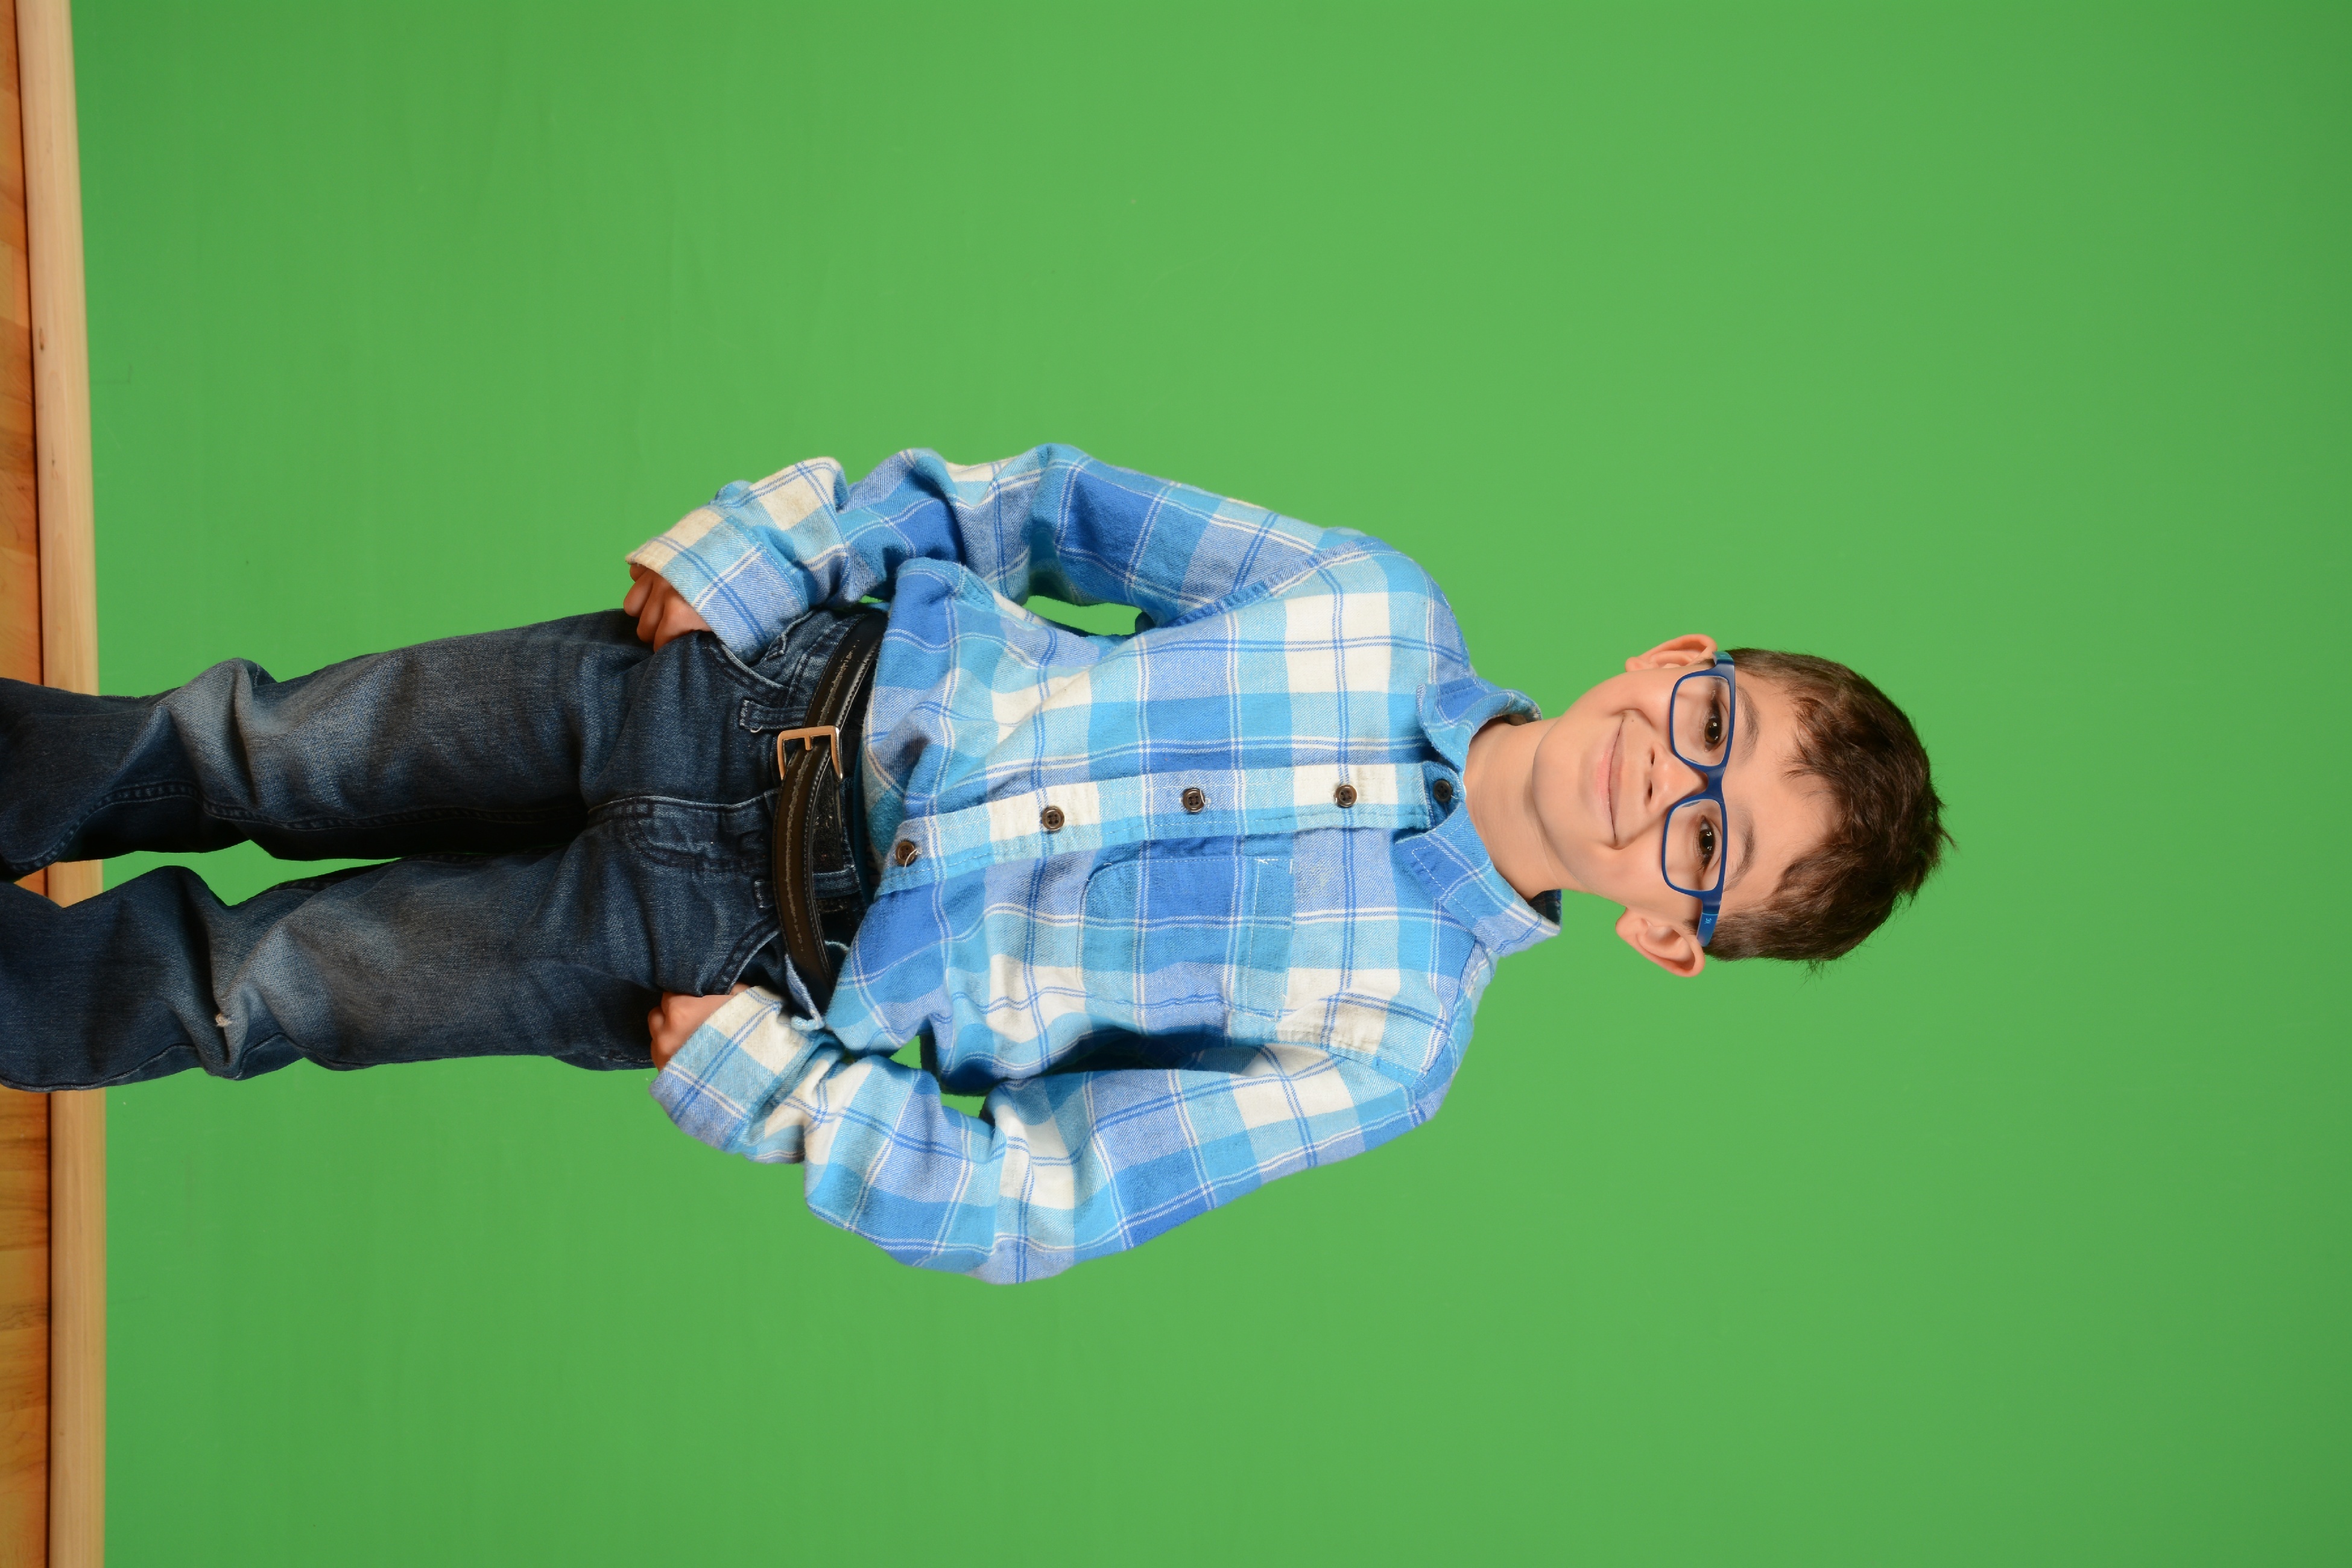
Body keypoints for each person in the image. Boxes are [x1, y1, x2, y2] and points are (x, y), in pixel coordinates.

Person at [0, 446, 1946, 1282]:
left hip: (736, 951)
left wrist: (788, 1099)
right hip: (737, 687)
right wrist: (778, 547)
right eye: (1710, 727)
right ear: (1674, 661)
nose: (1661, 782)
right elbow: (1048, 510)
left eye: (1707, 843)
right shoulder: (1369, 601)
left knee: (261, 989)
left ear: (1670, 933)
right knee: (259, 743)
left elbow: (1052, 1193)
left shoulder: (1391, 1039)